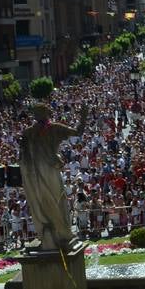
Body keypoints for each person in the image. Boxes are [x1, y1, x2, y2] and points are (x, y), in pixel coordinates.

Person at [18, 102, 87, 251]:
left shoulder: (55, 128)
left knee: (57, 198)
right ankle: (45, 230)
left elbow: (78, 132)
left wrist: (84, 116)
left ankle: (62, 231)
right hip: (35, 173)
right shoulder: (28, 132)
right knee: (41, 199)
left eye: (40, 112)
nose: (37, 116)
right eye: (35, 113)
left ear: (46, 113)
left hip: (50, 170)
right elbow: (22, 155)